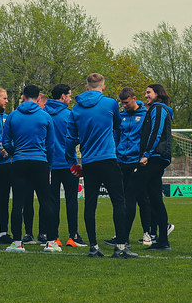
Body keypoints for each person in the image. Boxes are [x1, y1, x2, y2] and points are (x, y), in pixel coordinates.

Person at [72, 73, 134, 259]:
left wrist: (75, 161)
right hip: (108, 158)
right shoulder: (109, 103)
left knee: (90, 204)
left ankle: (93, 247)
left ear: (86, 87)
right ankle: (121, 247)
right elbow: (118, 125)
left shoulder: (76, 108)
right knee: (119, 201)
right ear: (103, 87)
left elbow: (71, 137)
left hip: (89, 162)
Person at [1, 85, 58, 253]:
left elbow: (5, 142)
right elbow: (51, 145)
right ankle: (51, 242)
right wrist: (50, 167)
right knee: (45, 202)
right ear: (38, 99)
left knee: (18, 202)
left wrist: (14, 152)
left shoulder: (12, 116)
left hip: (19, 161)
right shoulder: (45, 116)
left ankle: (17, 243)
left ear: (23, 97)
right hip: (40, 162)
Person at [0, 87, 35, 245]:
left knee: (4, 199)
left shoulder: (8, 117)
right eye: (4, 98)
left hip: (5, 163)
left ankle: (3, 233)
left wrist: (9, 148)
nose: (7, 101)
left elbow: (13, 137)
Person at [45, 83, 85, 247]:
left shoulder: (43, 114)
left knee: (52, 201)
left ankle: (53, 237)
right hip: (68, 164)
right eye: (69, 95)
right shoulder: (69, 115)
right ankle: (72, 235)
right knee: (71, 201)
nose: (70, 98)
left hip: (50, 165)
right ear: (63, 97)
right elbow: (76, 138)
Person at [136, 84, 174, 250]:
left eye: (148, 92)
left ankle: (123, 238)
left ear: (158, 94)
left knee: (133, 189)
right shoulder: (155, 109)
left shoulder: (158, 109)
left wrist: (146, 154)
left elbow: (155, 133)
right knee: (155, 198)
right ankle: (163, 239)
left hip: (155, 157)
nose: (145, 95)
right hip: (155, 157)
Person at [117, 87, 153, 245]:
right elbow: (116, 136)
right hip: (121, 161)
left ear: (133, 98)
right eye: (122, 103)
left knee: (142, 198)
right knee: (124, 200)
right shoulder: (121, 116)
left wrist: (145, 156)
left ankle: (147, 232)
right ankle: (121, 234)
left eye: (126, 102)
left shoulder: (145, 115)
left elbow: (147, 137)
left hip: (136, 162)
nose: (124, 105)